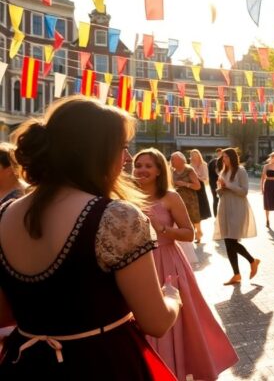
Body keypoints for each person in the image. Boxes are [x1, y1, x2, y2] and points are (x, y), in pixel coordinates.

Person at [0, 96, 180, 379]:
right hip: (101, 362)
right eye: (122, 147)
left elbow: (3, 313)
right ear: (96, 153)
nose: (127, 158)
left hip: (26, 362)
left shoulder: (5, 213)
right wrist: (172, 298)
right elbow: (156, 323)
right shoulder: (117, 217)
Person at [133, 148, 238, 380]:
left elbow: (188, 233)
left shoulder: (170, 197)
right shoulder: (127, 197)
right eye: (138, 165)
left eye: (148, 166)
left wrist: (161, 228)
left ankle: (175, 369)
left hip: (167, 262)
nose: (141, 170)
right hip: (137, 265)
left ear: (159, 170)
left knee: (176, 321)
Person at [214, 148, 259, 286]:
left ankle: (252, 261)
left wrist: (228, 185)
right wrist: (220, 188)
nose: (223, 159)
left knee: (232, 241)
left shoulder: (241, 171)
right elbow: (220, 193)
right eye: (223, 157)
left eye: (226, 157)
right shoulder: (223, 172)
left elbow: (244, 191)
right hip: (224, 208)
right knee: (228, 242)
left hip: (237, 208)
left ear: (232, 157)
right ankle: (236, 274)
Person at [170, 152, 202, 241]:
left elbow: (198, 186)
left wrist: (184, 184)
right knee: (182, 217)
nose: (171, 161)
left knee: (194, 216)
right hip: (177, 199)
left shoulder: (189, 170)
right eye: (171, 159)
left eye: (173, 159)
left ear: (180, 160)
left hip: (190, 198)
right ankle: (188, 234)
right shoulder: (172, 172)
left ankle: (198, 232)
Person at [189, 149, 212, 243]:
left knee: (199, 211)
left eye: (195, 155)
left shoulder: (204, 164)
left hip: (200, 188)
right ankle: (196, 232)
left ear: (199, 155)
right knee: (192, 211)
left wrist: (196, 176)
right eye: (192, 155)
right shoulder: (190, 165)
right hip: (191, 189)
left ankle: (198, 233)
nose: (194, 157)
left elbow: (205, 178)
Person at [208, 149, 223, 217]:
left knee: (222, 200)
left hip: (220, 184)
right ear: (217, 153)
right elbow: (211, 173)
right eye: (219, 153)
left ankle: (220, 215)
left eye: (221, 153)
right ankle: (216, 216)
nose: (220, 155)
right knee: (216, 200)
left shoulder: (224, 162)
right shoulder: (213, 162)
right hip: (214, 184)